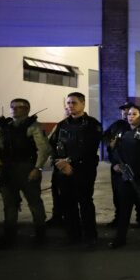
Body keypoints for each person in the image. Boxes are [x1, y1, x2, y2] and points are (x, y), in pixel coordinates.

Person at [0, 97, 51, 247]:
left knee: (34, 203)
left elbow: (44, 149)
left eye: (19, 107)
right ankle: (9, 236)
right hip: (6, 169)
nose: (14, 109)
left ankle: (40, 235)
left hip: (26, 168)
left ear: (27, 109)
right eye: (12, 107)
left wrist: (37, 168)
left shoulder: (33, 126)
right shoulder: (2, 126)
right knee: (9, 204)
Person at [48, 92, 103, 247]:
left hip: (84, 170)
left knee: (85, 202)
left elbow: (90, 148)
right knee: (68, 203)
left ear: (83, 104)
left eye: (74, 103)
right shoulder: (62, 125)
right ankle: (73, 235)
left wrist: (69, 161)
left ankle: (90, 236)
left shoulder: (92, 124)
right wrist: (59, 162)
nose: (70, 106)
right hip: (63, 170)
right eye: (68, 103)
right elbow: (52, 145)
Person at [107, 104, 140, 249]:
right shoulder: (122, 132)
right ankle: (120, 238)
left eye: (134, 114)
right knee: (124, 209)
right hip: (125, 176)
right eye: (129, 114)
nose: (130, 117)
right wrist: (115, 164)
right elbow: (114, 152)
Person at [102, 103, 132, 229]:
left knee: (135, 195)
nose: (125, 112)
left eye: (128, 110)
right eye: (123, 110)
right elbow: (105, 136)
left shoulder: (137, 126)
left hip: (131, 165)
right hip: (116, 165)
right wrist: (110, 143)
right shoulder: (118, 124)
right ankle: (118, 218)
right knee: (117, 194)